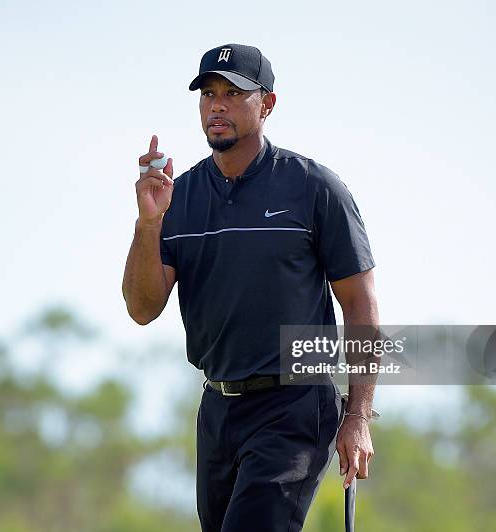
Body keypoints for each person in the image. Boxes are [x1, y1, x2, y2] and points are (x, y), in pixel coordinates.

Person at [123, 43, 379, 532]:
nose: (217, 105)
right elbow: (142, 307)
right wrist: (148, 223)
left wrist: (359, 415)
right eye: (208, 94)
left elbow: (361, 306)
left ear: (267, 103)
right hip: (217, 407)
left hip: (295, 404)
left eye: (233, 93)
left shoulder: (314, 187)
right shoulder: (181, 195)